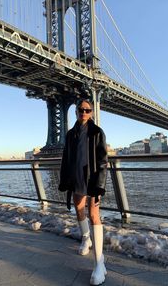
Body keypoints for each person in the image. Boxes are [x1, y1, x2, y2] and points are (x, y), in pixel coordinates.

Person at [58, 99, 108, 285]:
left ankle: (99, 263)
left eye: (87, 110)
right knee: (79, 209)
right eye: (81, 110)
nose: (84, 113)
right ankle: (86, 239)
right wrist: (65, 180)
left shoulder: (97, 132)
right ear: (76, 112)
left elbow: (103, 160)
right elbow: (66, 158)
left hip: (92, 179)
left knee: (94, 215)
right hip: (76, 178)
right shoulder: (70, 134)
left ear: (92, 113)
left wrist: (99, 184)